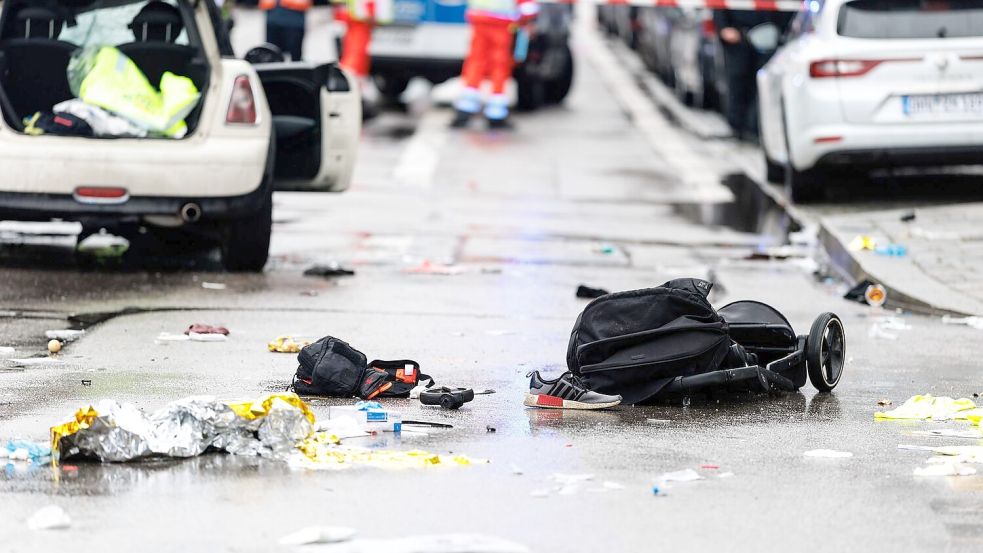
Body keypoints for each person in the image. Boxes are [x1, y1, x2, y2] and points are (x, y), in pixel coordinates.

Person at [451, 0, 539, 129]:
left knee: (475, 62)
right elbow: (527, 7)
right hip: (502, 23)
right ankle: (496, 111)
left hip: (479, 18)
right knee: (500, 65)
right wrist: (528, 19)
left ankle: (466, 107)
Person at [712, 8, 793, 141]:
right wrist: (724, 27)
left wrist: (779, 31)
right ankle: (737, 127)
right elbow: (720, 7)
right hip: (738, 36)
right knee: (738, 81)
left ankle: (755, 128)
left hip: (767, 38)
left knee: (762, 84)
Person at [337, 0, 393, 111]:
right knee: (355, 57)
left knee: (357, 56)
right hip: (358, 22)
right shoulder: (359, 24)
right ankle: (348, 89)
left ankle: (352, 91)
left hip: (358, 22)